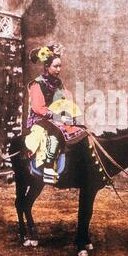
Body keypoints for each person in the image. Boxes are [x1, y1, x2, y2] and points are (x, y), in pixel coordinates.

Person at [27, 45, 86, 184]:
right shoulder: (37, 84)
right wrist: (57, 117)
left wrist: (70, 115)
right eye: (55, 66)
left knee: (80, 129)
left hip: (57, 118)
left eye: (60, 66)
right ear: (47, 66)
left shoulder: (59, 83)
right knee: (56, 130)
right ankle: (48, 166)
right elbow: (38, 108)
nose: (59, 70)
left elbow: (65, 101)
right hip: (40, 119)